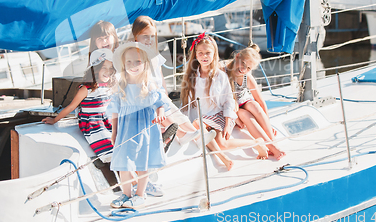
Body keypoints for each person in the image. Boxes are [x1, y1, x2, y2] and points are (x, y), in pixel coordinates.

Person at [180, 33, 268, 171]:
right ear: (195, 54)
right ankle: (225, 157)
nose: (204, 56)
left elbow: (228, 100)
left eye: (208, 53)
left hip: (221, 114)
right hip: (204, 117)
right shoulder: (192, 75)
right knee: (199, 126)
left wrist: (228, 123)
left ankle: (256, 143)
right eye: (201, 53)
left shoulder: (219, 75)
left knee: (220, 141)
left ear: (214, 54)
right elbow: (188, 102)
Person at [131, 16, 213, 149]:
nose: (149, 40)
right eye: (145, 36)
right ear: (136, 36)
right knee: (167, 112)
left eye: (152, 36)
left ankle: (196, 136)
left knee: (178, 114)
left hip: (159, 93)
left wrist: (165, 93)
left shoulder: (153, 53)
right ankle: (182, 134)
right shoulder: (135, 54)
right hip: (148, 95)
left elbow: (160, 75)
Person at [107, 42, 166, 209]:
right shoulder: (121, 85)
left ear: (145, 63)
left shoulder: (150, 85)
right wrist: (114, 131)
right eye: (129, 62)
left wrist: (161, 113)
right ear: (123, 65)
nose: (133, 66)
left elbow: (160, 103)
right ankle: (126, 194)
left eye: (137, 62)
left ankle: (140, 194)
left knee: (142, 163)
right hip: (125, 131)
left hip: (144, 130)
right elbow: (115, 111)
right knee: (123, 164)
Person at [42, 48, 116, 162]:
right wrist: (54, 120)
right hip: (93, 123)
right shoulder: (86, 89)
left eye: (111, 68)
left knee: (123, 139)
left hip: (107, 120)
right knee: (109, 143)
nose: (108, 71)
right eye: (104, 68)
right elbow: (72, 106)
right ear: (95, 70)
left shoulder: (108, 86)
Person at [222, 44, 286, 160]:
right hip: (233, 108)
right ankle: (272, 148)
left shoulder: (247, 77)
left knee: (255, 106)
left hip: (244, 101)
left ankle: (273, 143)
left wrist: (268, 124)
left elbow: (261, 101)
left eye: (248, 68)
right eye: (243, 64)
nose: (243, 69)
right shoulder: (224, 72)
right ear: (237, 57)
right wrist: (235, 117)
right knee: (245, 115)